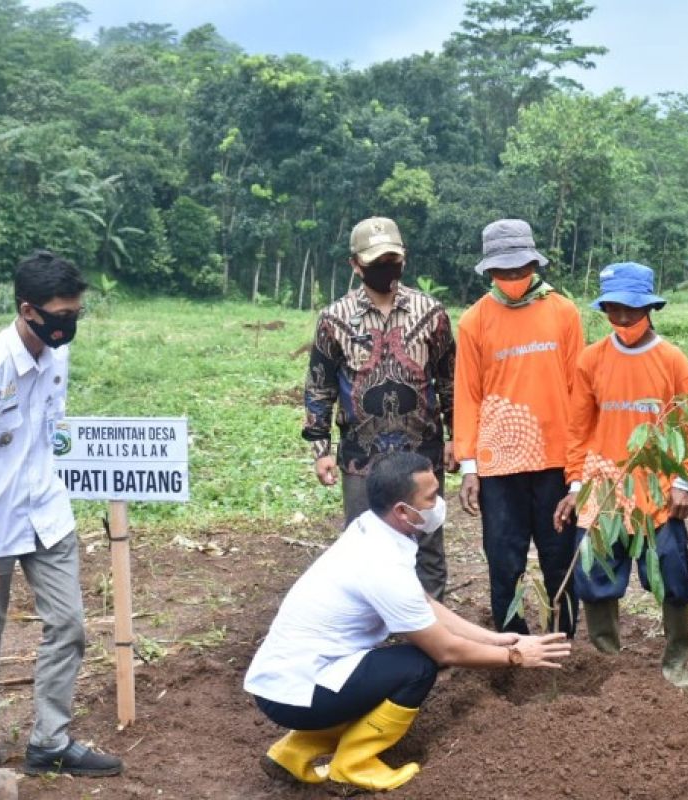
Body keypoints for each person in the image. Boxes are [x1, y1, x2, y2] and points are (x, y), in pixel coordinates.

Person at [246, 451, 570, 794]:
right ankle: (352, 765)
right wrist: (518, 656)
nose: (439, 503)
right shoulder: (381, 566)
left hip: (288, 679)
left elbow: (423, 603)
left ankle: (293, 751)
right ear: (402, 511)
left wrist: (495, 639)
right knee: (417, 666)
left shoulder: (372, 529)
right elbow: (445, 650)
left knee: (389, 668)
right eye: (430, 498)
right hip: (295, 694)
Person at [0, 251, 122, 776]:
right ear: (28, 310)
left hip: (47, 514)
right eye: (60, 316)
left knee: (70, 625)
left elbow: (48, 436)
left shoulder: (58, 358)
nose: (68, 324)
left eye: (75, 314)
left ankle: (50, 741)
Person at [553, 263, 688, 688]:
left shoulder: (672, 360)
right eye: (613, 309)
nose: (621, 319)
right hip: (604, 488)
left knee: (672, 575)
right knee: (595, 579)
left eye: (630, 310)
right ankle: (607, 664)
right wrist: (577, 484)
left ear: (650, 307)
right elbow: (578, 429)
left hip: (657, 491)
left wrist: (683, 480)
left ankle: (676, 663)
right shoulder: (592, 359)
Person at [303, 216, 456, 599]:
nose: (386, 268)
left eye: (392, 259)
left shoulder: (431, 313)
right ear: (355, 265)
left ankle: (427, 634)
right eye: (375, 263)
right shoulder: (334, 319)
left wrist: (458, 438)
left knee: (428, 543)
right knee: (365, 543)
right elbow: (319, 385)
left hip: (422, 451)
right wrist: (320, 449)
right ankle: (372, 634)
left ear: (403, 259)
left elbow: (449, 380)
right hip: (362, 454)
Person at [454, 219, 583, 636]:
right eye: (503, 272)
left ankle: (563, 640)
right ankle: (513, 643)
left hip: (556, 461)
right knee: (504, 560)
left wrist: (580, 471)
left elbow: (578, 392)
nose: (511, 278)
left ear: (533, 264)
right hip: (498, 465)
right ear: (489, 271)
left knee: (559, 557)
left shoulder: (562, 312)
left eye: (518, 269)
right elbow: (468, 395)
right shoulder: (474, 321)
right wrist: (469, 466)